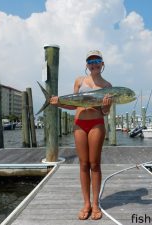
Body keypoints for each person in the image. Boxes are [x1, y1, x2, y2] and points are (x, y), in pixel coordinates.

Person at [50, 50, 112, 220]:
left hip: (96, 123)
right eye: (90, 61)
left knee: (95, 164)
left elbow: (105, 112)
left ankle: (96, 204)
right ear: (86, 65)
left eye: (97, 60)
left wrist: (106, 105)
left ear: (102, 64)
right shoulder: (79, 80)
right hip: (79, 124)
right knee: (83, 164)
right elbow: (73, 105)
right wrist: (59, 103)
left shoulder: (107, 86)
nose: (94, 64)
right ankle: (86, 203)